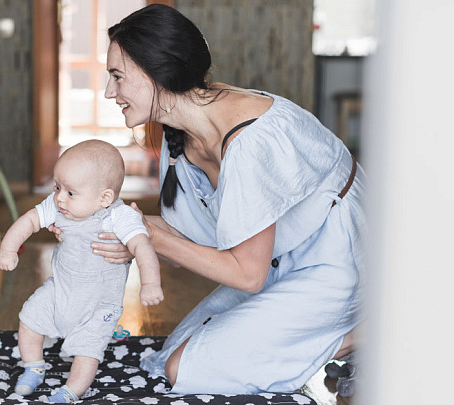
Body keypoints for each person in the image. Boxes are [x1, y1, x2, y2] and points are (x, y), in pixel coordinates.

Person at [87, 3, 366, 395]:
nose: (108, 91)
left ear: (157, 71)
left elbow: (247, 276)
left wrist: (156, 237)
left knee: (184, 368)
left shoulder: (249, 140)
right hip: (277, 262)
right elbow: (197, 240)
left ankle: (368, 332)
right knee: (176, 351)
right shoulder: (180, 133)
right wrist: (134, 235)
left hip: (338, 263)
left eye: (117, 76)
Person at [0, 139, 164, 403]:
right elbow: (29, 220)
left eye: (70, 192)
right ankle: (33, 366)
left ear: (104, 198)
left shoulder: (119, 217)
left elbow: (142, 246)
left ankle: (70, 391)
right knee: (29, 319)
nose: (60, 197)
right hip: (60, 289)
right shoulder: (59, 205)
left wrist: (150, 283)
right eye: (57, 186)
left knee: (88, 350)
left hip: (99, 304)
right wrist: (8, 249)